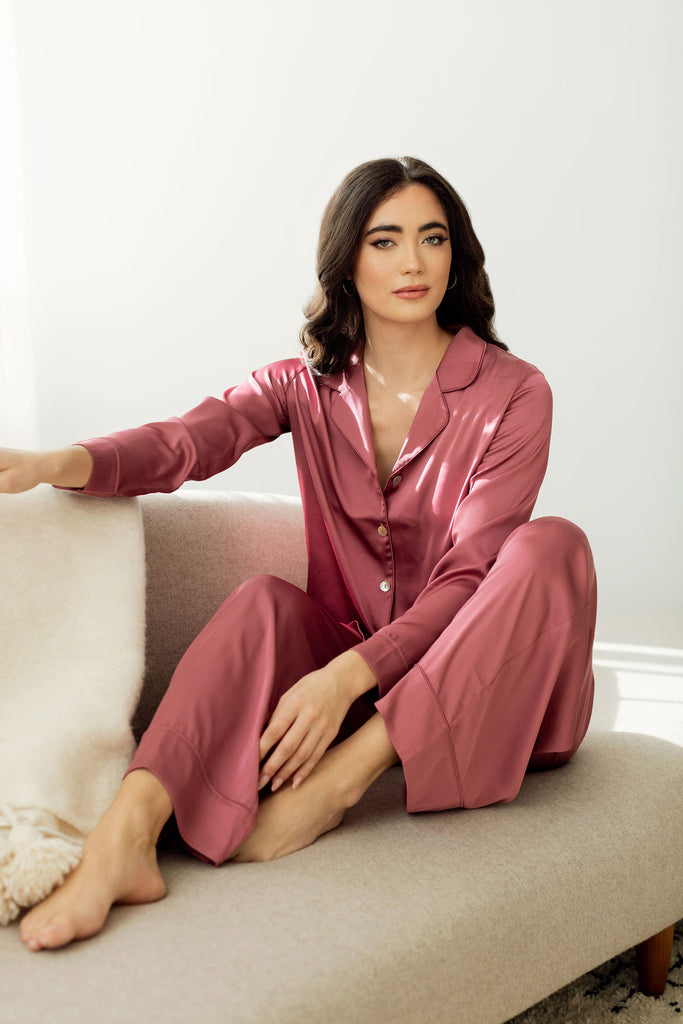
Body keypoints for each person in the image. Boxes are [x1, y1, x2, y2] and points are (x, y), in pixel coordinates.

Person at [0, 156, 597, 953]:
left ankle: (340, 783)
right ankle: (125, 838)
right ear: (347, 257)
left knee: (549, 546)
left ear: (458, 256)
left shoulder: (515, 392)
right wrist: (52, 465)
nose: (413, 263)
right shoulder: (306, 384)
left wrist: (341, 682)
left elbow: (470, 575)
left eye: (432, 238)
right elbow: (189, 441)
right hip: (362, 668)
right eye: (385, 241)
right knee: (261, 600)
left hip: (500, 694)